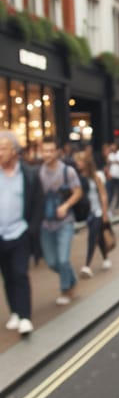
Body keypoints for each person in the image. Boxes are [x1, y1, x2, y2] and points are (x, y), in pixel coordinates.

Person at [0, 132, 43, 335]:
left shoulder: (29, 174)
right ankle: (15, 312)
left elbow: (38, 203)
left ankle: (25, 316)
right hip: (1, 235)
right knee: (7, 275)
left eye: (3, 148)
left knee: (19, 273)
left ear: (15, 151)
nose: (0, 152)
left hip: (20, 233)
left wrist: (30, 230)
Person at [38, 137, 82, 304]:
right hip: (45, 223)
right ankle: (72, 278)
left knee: (63, 259)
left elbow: (78, 192)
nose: (47, 154)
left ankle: (66, 290)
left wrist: (65, 206)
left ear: (57, 152)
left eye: (50, 150)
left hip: (65, 222)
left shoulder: (67, 171)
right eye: (44, 150)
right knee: (51, 262)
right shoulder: (38, 172)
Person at [74, 151, 111, 278]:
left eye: (80, 161)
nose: (78, 164)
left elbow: (103, 195)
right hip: (88, 213)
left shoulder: (96, 177)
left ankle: (87, 266)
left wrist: (105, 213)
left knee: (92, 237)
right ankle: (106, 258)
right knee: (99, 237)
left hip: (98, 212)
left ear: (86, 163)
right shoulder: (78, 177)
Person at [105, 142, 119, 211]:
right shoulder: (110, 154)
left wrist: (113, 161)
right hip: (112, 176)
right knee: (110, 192)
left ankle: (117, 205)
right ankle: (108, 205)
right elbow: (108, 163)